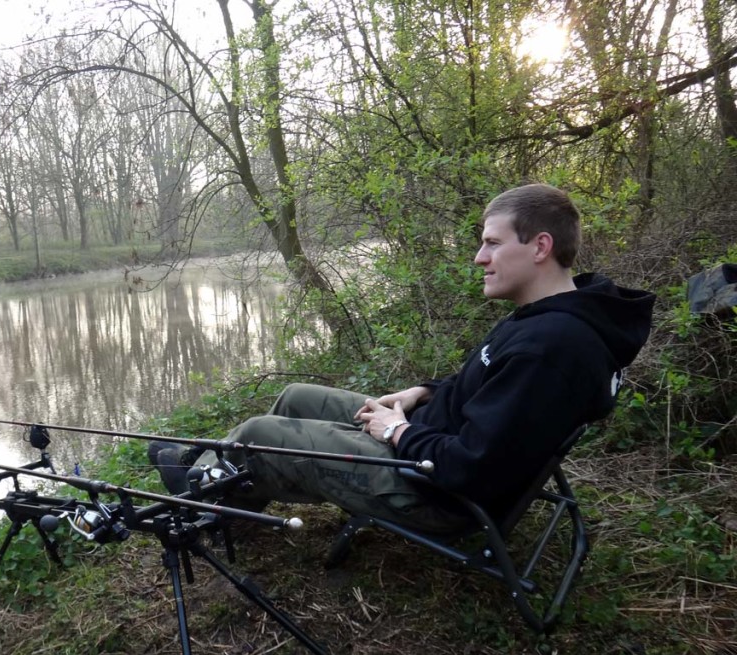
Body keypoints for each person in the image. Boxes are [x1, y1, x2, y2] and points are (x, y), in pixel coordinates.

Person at [150, 184, 655, 534]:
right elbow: (488, 383)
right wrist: (425, 393)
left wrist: (397, 431)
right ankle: (230, 502)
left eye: (492, 243)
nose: (479, 257)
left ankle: (203, 494)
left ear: (540, 245)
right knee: (295, 396)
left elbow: (472, 468)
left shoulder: (552, 347)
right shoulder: (552, 315)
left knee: (262, 431)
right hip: (428, 443)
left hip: (435, 491)